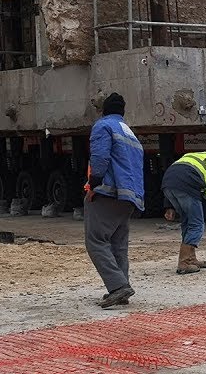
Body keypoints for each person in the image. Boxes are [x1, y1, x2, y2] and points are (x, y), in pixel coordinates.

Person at [84, 92, 145, 308]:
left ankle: (118, 287)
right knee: (118, 244)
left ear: (104, 110)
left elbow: (100, 158)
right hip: (130, 197)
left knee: (96, 241)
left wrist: (93, 185)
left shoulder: (103, 126)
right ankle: (122, 288)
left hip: (109, 192)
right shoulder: (130, 134)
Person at [161, 143, 206, 274]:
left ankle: (191, 258)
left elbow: (175, 178)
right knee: (196, 224)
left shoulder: (193, 155)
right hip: (186, 186)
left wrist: (169, 206)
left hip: (167, 183)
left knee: (187, 222)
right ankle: (184, 262)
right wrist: (203, 214)